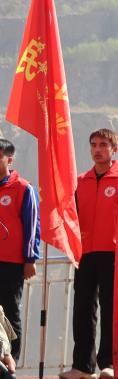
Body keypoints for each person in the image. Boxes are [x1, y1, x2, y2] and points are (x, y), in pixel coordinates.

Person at [60, 129, 118, 379]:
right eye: (94, 144)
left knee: (110, 309)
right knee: (83, 308)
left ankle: (109, 363)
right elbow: (70, 215)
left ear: (114, 149)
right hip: (85, 253)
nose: (97, 150)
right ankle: (83, 366)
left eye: (103, 145)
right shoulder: (80, 181)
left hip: (113, 252)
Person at [0, 138, 40, 365]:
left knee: (9, 311)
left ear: (9, 159)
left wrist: (30, 258)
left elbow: (32, 224)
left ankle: (11, 360)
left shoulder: (23, 188)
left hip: (11, 262)